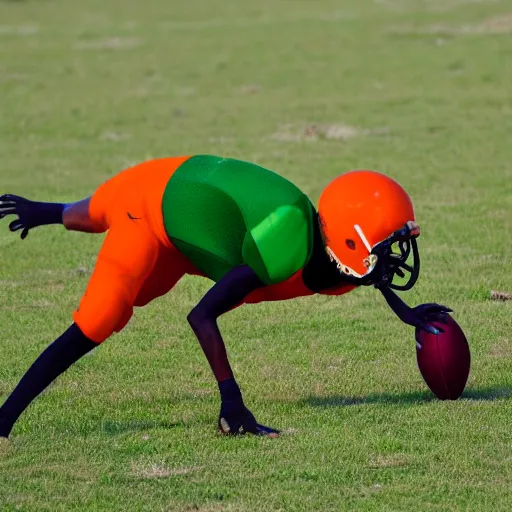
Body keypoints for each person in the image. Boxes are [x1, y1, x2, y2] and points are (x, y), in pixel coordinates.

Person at [0, 155, 450, 439]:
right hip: (151, 209)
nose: (394, 260)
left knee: (125, 276)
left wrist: (408, 314)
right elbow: (202, 315)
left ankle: (49, 211)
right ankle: (4, 419)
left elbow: (369, 271)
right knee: (101, 317)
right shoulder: (285, 243)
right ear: (350, 244)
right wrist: (231, 402)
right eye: (386, 247)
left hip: (187, 228)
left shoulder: (338, 259)